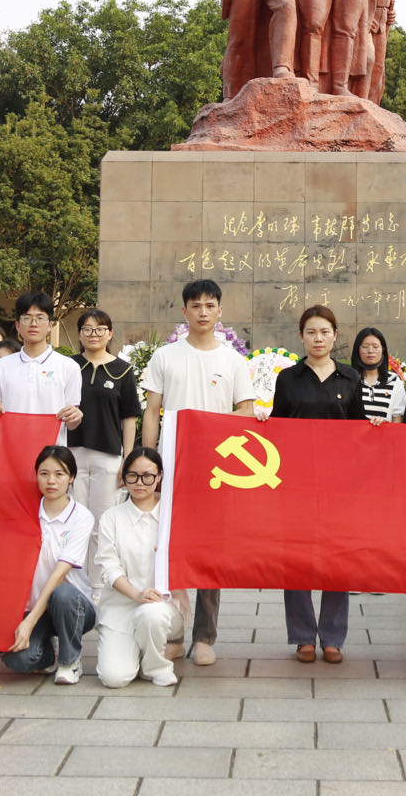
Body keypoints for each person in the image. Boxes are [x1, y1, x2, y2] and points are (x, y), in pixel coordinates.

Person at [140, 279, 257, 665]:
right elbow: (151, 410)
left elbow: (245, 410)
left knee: (209, 552)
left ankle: (205, 637)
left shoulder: (233, 360)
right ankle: (173, 632)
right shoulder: (165, 356)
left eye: (210, 305)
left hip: (217, 470)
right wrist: (148, 461)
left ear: (220, 311)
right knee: (166, 547)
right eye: (196, 305)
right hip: (172, 466)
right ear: (184, 311)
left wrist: (214, 429)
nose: (203, 312)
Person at [273, 305, 364, 663]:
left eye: (325, 332)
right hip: (296, 482)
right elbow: (277, 429)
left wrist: (373, 429)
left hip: (339, 483)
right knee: (297, 557)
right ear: (301, 336)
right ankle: (302, 636)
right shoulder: (288, 378)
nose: (318, 338)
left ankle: (332, 637)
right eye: (311, 332)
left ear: (335, 335)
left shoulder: (350, 377)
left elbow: (358, 430)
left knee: (337, 557)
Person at [2, 446, 97, 684]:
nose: (51, 481)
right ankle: (44, 654)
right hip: (32, 606)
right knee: (18, 660)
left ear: (71, 477)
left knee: (62, 593)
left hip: (73, 607)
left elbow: (59, 574)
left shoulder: (81, 517)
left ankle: (70, 661)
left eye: (59, 474)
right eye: (44, 474)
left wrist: (29, 622)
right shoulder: (26, 511)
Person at [94, 447, 184, 688]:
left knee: (150, 614)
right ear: (124, 477)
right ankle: (138, 646)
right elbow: (109, 567)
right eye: (132, 476)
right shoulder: (111, 517)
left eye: (147, 476)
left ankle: (156, 666)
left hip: (162, 607)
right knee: (114, 678)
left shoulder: (172, 515)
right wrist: (136, 594)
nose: (140, 483)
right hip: (120, 607)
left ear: (160, 476)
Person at [71, 308, 140, 587]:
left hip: (108, 455)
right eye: (87, 329)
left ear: (110, 334)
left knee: (101, 524)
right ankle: (75, 584)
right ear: (79, 334)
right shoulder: (69, 366)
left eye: (100, 329)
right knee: (76, 522)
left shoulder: (123, 370)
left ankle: (99, 586)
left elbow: (129, 418)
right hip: (72, 455)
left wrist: (127, 458)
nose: (93, 334)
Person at [0, 292, 85, 441]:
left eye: (40, 317)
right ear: (18, 326)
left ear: (50, 325)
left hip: (51, 451)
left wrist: (76, 417)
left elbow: (71, 424)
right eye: (27, 318)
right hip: (10, 449)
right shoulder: (1, 366)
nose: (33, 323)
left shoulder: (69, 367)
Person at [351, 326, 405, 421]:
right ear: (357, 350)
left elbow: (397, 419)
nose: (370, 351)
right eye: (365, 347)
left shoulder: (394, 381)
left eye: (375, 347)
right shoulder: (349, 380)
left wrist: (384, 425)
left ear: (383, 350)